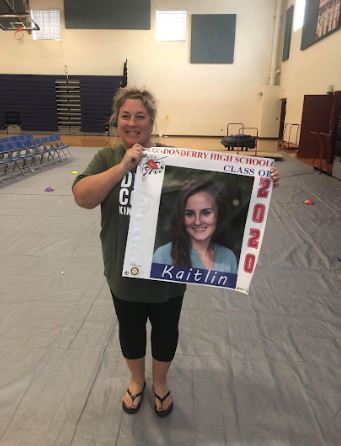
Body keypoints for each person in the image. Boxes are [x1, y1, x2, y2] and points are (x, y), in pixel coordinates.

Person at [72, 87, 280, 417]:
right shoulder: (107, 158)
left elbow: (214, 180)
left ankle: (160, 383)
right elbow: (83, 197)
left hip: (168, 274)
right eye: (125, 115)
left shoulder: (172, 160)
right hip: (122, 271)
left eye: (140, 116)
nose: (132, 122)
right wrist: (124, 165)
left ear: (152, 121)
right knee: (130, 330)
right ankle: (137, 381)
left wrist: (260, 181)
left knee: (167, 330)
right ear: (116, 120)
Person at [153, 179, 238, 273]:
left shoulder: (228, 257)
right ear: (181, 217)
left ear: (218, 214)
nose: (197, 222)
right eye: (189, 214)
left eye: (206, 213)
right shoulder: (163, 256)